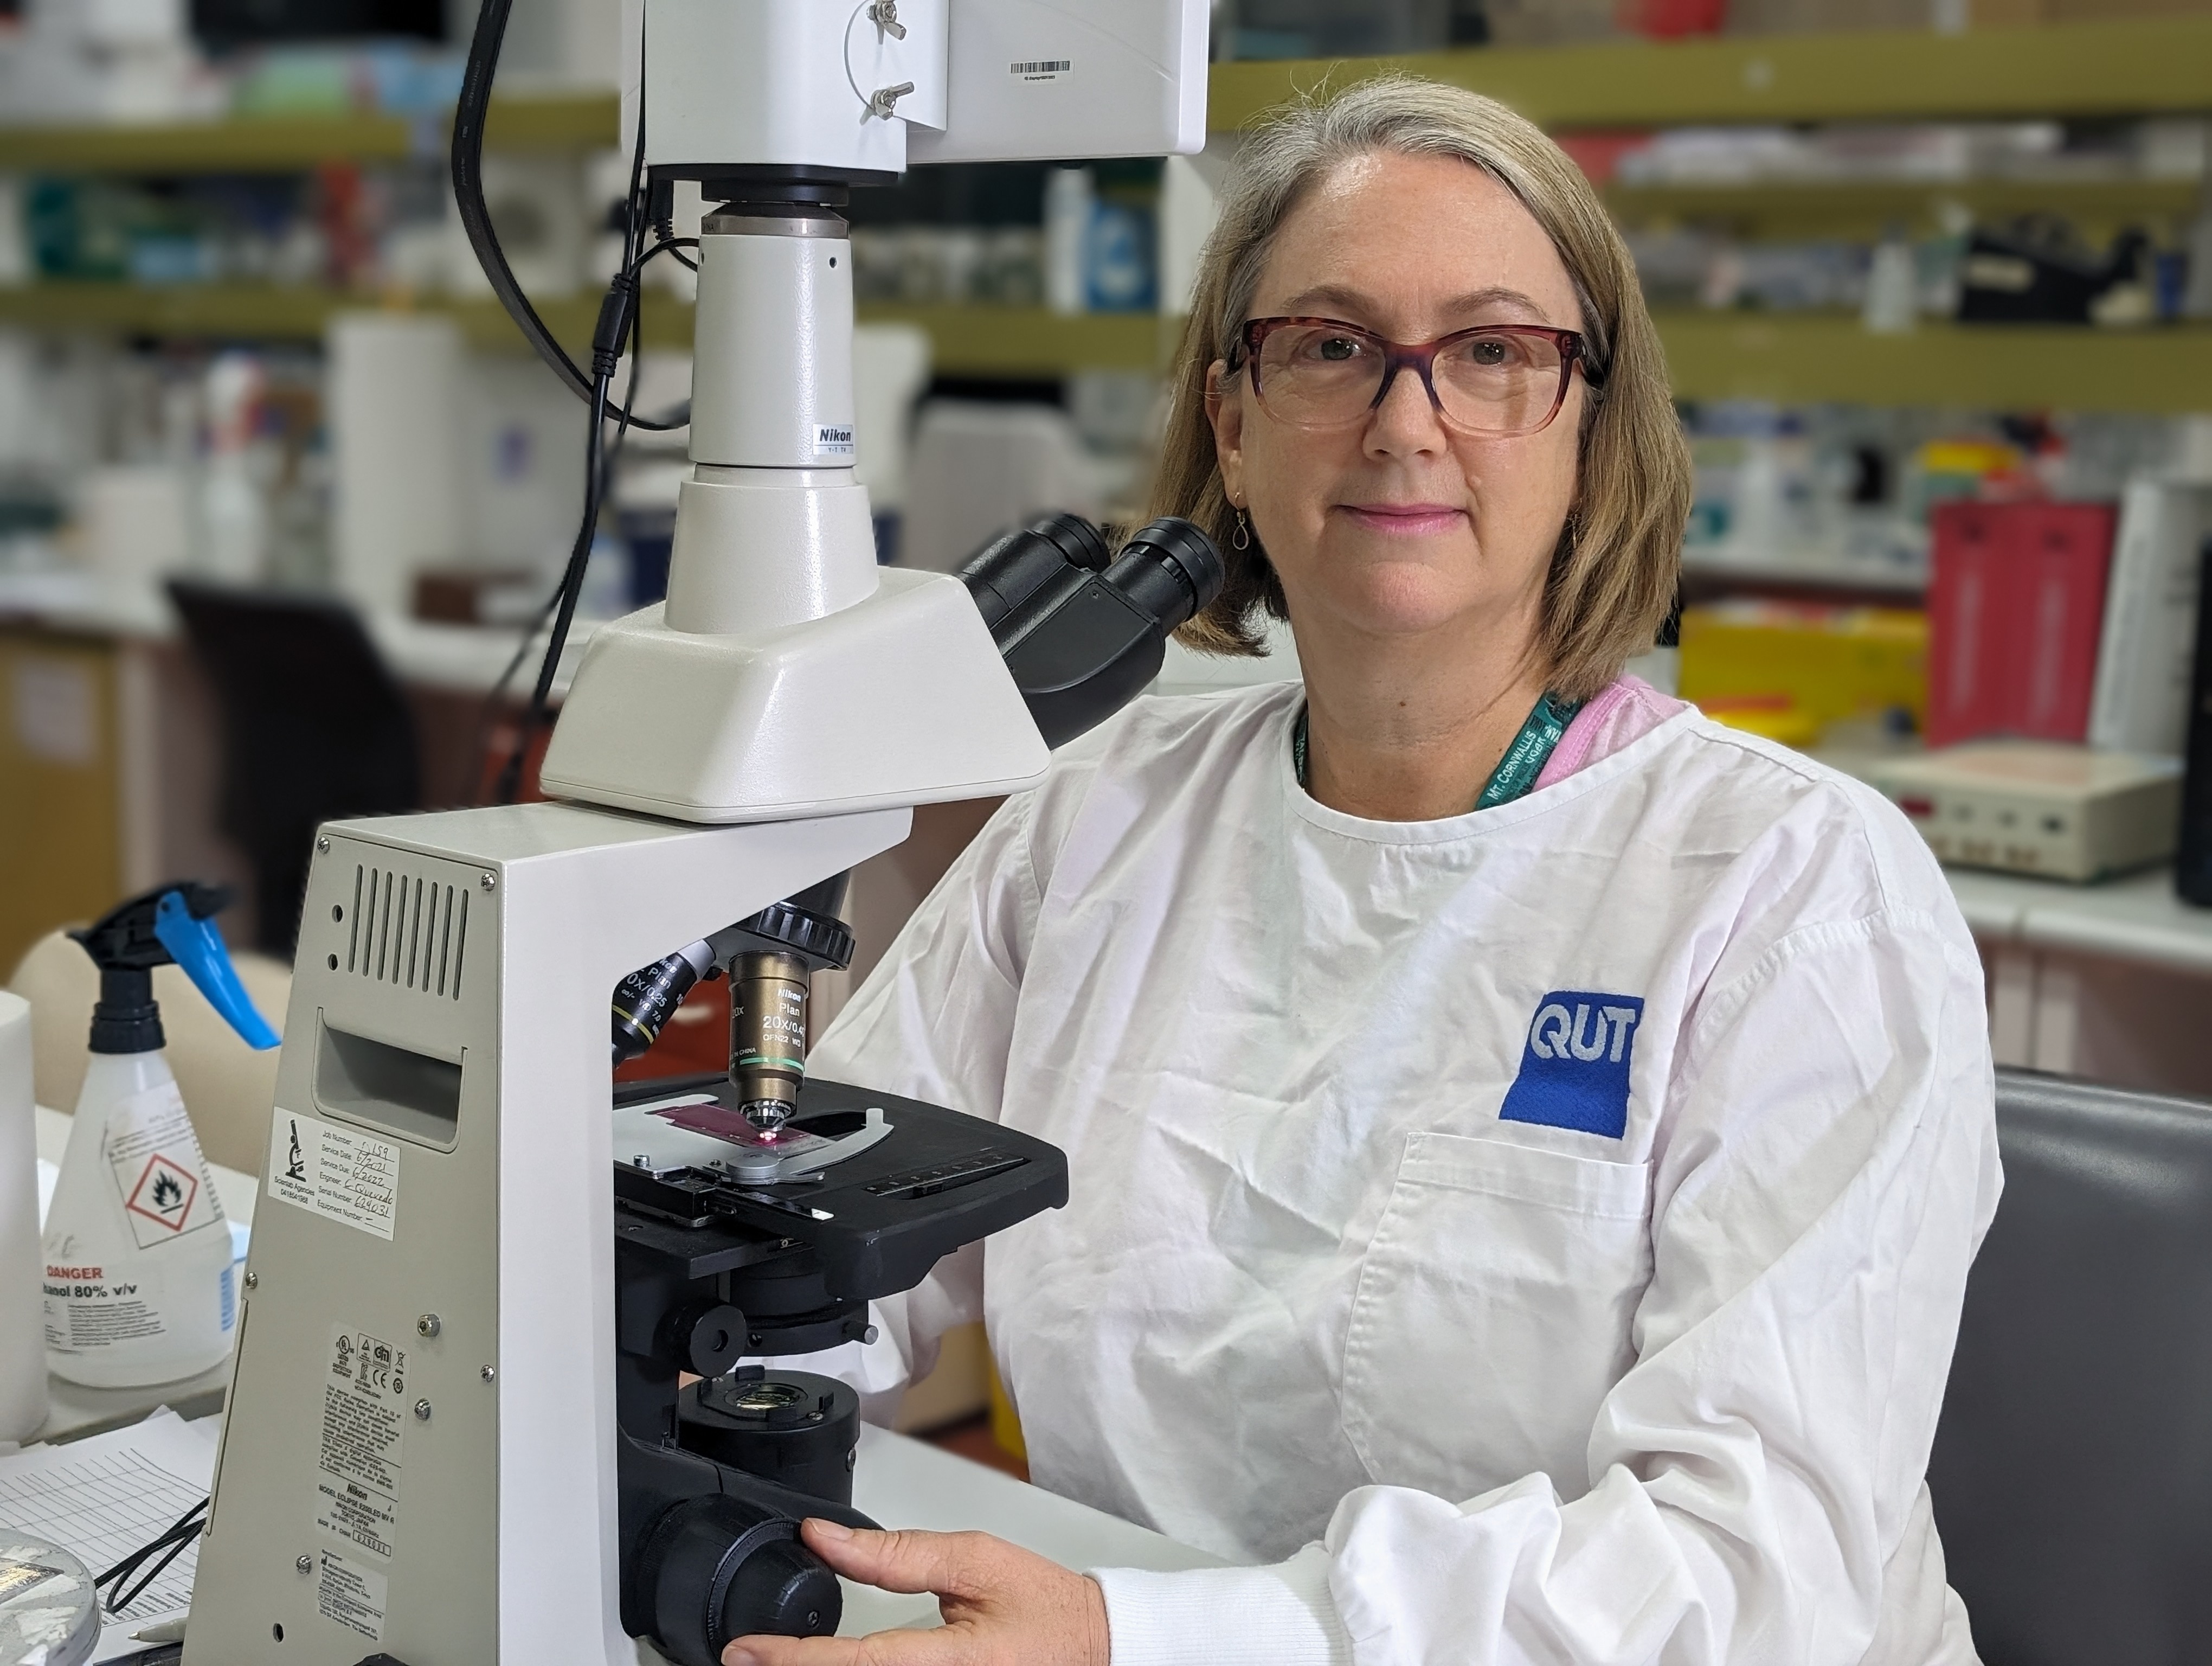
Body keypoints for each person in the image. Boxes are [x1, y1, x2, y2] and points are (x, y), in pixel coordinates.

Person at [724, 75, 2000, 1666]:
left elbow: (1747, 1577)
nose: (1407, 421)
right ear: (1233, 424)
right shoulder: (1095, 826)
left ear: (1593, 430)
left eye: (1492, 352)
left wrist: (1155, 1638)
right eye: (1331, 346)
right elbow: (823, 1268)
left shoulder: (1795, 892)